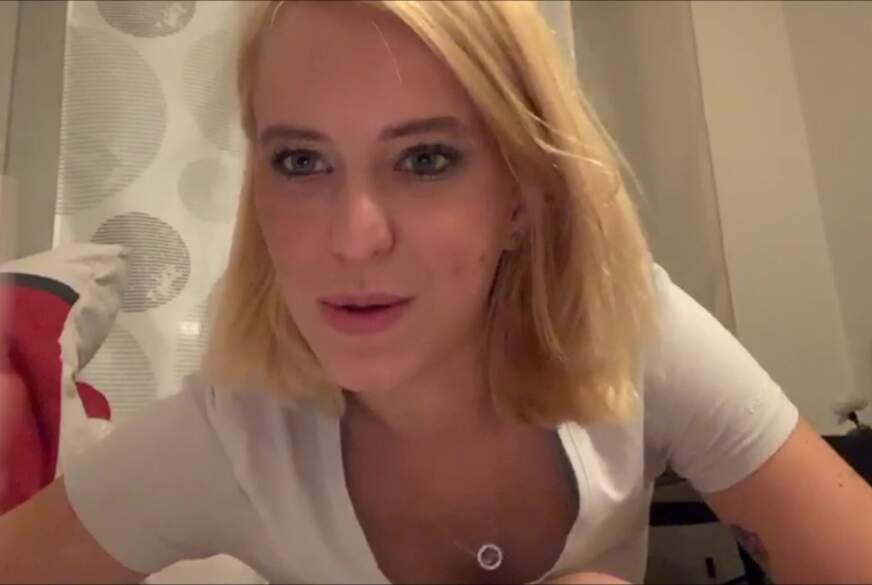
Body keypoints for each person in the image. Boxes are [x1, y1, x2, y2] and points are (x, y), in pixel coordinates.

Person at [2, 1, 872, 583]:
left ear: (522, 195)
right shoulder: (229, 439)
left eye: (425, 159)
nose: (354, 237)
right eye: (300, 160)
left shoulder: (631, 333)